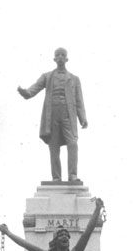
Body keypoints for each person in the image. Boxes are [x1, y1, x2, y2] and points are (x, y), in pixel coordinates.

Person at [17, 48, 88, 183]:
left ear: (67, 59)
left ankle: (72, 175)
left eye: (63, 55)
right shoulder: (47, 76)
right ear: (54, 59)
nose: (60, 57)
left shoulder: (74, 79)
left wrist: (83, 118)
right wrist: (25, 92)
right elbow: (34, 88)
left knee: (72, 144)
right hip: (52, 114)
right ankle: (56, 177)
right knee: (53, 146)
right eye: (57, 55)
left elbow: (79, 101)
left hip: (68, 114)